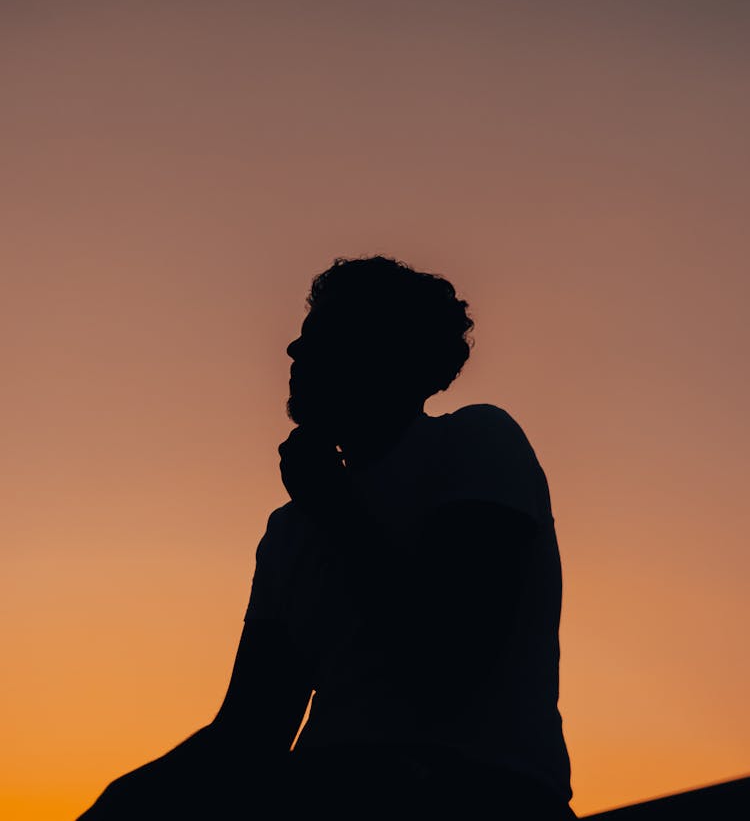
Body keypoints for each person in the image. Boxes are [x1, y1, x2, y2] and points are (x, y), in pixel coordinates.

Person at [77, 255, 575, 820]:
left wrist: (332, 505)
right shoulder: (291, 529)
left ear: (388, 356)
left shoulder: (476, 442)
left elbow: (450, 657)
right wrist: (122, 801)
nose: (293, 351)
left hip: (479, 792)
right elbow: (250, 731)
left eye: (322, 336)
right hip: (325, 790)